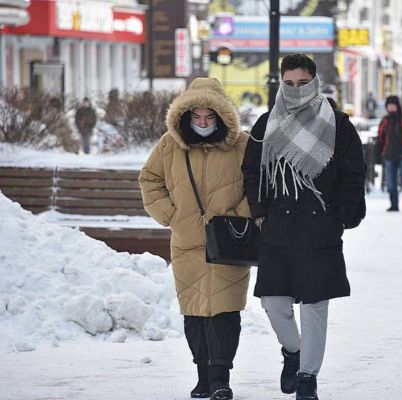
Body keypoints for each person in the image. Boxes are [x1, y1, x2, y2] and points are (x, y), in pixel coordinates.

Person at [242, 54, 366, 400]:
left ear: (315, 82)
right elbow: (251, 171)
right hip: (277, 226)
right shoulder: (267, 124)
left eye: (303, 82)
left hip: (319, 227)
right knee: (272, 302)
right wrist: (260, 212)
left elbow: (354, 175)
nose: (296, 89)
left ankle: (307, 377)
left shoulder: (338, 124)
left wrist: (338, 217)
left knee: (314, 307)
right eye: (289, 83)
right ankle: (293, 353)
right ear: (282, 83)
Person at [139, 78, 251, 400]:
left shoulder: (241, 144)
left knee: (225, 311)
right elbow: (150, 180)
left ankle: (221, 378)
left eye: (209, 117)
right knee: (195, 312)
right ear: (186, 116)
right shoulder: (169, 145)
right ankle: (203, 376)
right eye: (197, 117)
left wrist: (239, 214)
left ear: (221, 115)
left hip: (229, 242)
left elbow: (256, 186)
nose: (202, 123)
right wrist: (170, 215)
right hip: (187, 241)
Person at [377, 95, 402, 215]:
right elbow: (380, 138)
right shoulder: (385, 121)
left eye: (393, 105)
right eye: (389, 106)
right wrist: (379, 155)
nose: (391, 108)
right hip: (389, 155)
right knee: (391, 182)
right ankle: (394, 204)